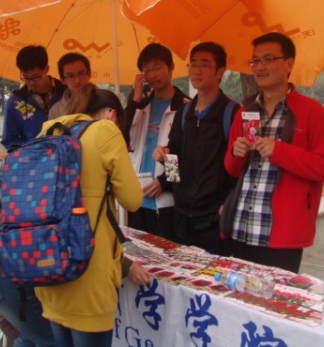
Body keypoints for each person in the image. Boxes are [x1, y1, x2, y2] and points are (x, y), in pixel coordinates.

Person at [36, 83, 145, 347]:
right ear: (112, 114)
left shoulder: (48, 131)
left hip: (49, 267)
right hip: (89, 273)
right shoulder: (105, 131)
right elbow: (132, 200)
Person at [223, 32, 324, 273]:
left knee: (274, 297)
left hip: (281, 236)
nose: (260, 67)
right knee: (238, 295)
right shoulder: (245, 111)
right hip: (241, 227)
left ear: (289, 63)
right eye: (255, 61)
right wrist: (236, 153)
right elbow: (232, 170)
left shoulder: (312, 112)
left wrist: (280, 151)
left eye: (268, 59)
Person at [153, 42, 239, 255]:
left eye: (204, 65)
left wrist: (226, 205)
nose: (196, 71)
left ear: (220, 71)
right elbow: (173, 166)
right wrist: (164, 156)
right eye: (193, 64)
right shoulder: (184, 113)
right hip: (181, 215)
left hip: (214, 218)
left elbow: (240, 167)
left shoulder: (232, 113)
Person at [125, 43, 190, 240]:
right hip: (137, 198)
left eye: (157, 68)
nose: (152, 75)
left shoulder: (184, 107)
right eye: (147, 70)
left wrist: (165, 182)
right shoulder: (141, 106)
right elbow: (123, 138)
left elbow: (185, 154)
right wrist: (135, 101)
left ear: (171, 68)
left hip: (165, 203)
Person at [2, 45, 65, 151]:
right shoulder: (15, 103)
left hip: (65, 155)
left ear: (46, 69)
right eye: (26, 78)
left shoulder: (66, 94)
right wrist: (29, 150)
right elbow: (10, 141)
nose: (31, 83)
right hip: (31, 157)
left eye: (36, 77)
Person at [48, 52, 91, 120]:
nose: (77, 80)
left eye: (81, 73)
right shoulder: (56, 111)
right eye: (71, 76)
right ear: (63, 80)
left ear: (89, 74)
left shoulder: (104, 102)